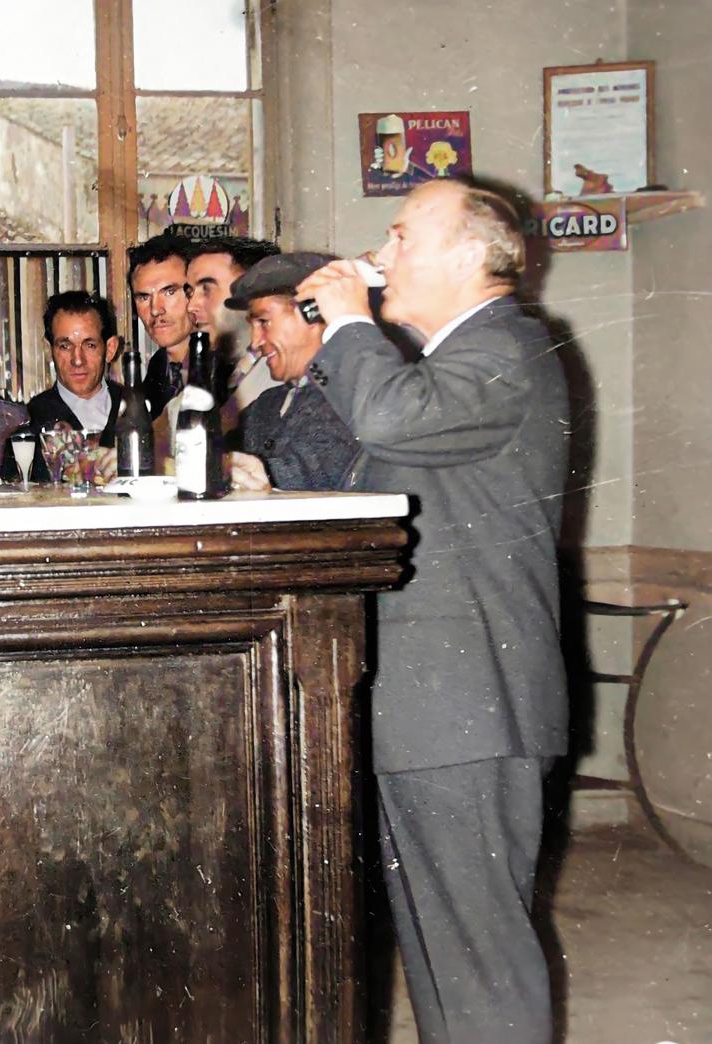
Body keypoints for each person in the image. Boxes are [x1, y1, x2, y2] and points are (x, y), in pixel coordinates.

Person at [295, 179, 569, 1043]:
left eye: (402, 236)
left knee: (479, 959)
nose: (380, 256)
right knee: (442, 959)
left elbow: (387, 415)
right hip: (432, 709)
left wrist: (345, 321)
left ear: (466, 255)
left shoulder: (508, 348)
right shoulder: (457, 364)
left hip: (466, 707)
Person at [0, 290, 122, 484]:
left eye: (90, 345)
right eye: (65, 346)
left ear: (110, 349)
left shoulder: (142, 411)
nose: (77, 360)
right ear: (48, 349)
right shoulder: (24, 425)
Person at [223, 252, 358, 492]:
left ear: (314, 313)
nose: (255, 342)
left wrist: (267, 473)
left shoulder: (354, 397)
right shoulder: (267, 404)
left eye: (263, 322)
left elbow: (321, 466)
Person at [184, 233, 280, 416]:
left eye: (206, 289)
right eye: (190, 292)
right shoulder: (224, 373)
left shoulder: (281, 376)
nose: (191, 306)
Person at [127, 234, 194, 419]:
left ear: (195, 294)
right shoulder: (158, 367)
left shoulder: (221, 368)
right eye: (144, 297)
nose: (155, 310)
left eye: (169, 292)